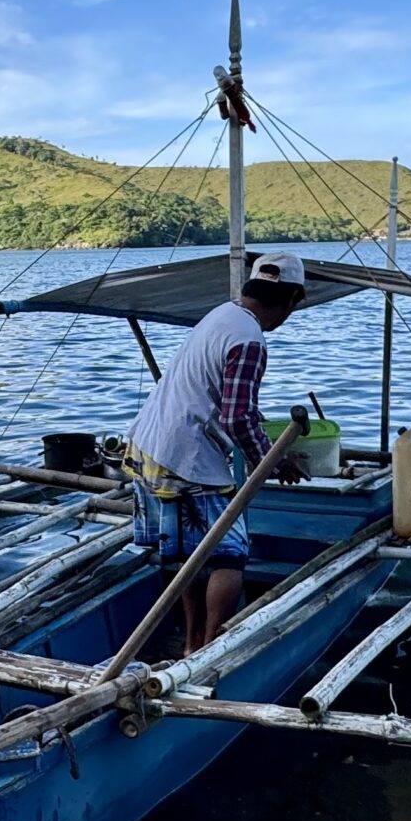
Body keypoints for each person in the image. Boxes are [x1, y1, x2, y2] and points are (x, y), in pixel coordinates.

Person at [123, 251, 310, 655]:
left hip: (148, 445)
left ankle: (191, 643)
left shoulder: (223, 315)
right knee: (230, 556)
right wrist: (273, 459)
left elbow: (232, 404)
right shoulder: (250, 340)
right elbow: (237, 418)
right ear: (292, 299)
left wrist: (265, 445)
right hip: (187, 455)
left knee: (191, 553)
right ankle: (209, 648)